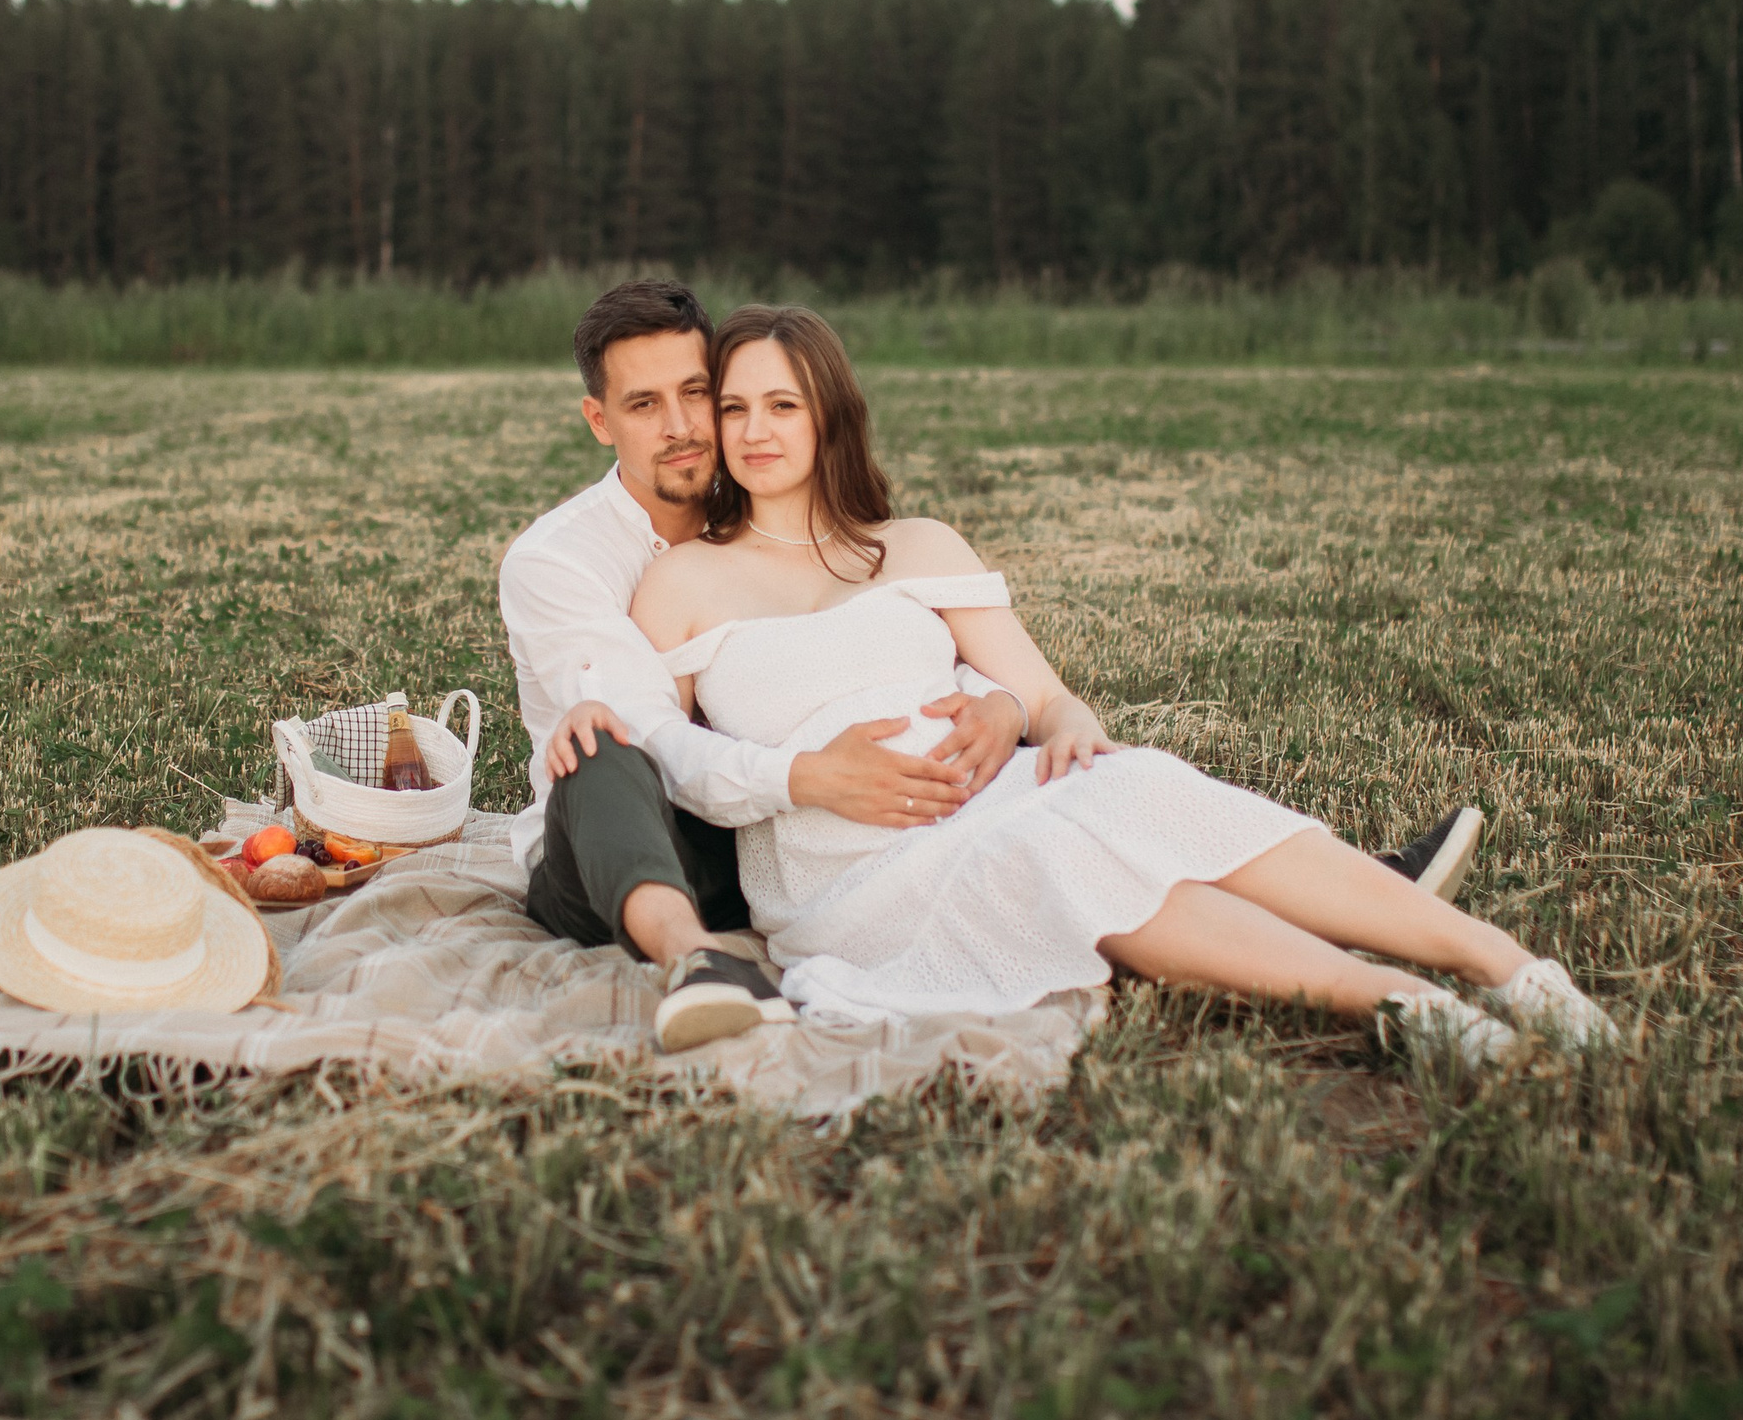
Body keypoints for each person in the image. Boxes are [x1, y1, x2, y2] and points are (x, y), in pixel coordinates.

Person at [607, 303, 1616, 1062]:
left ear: (830, 413)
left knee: (1133, 783)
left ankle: (1504, 963)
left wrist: (1030, 716)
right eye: (733, 407)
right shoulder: (684, 580)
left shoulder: (911, 547)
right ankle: (1395, 1002)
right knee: (1049, 845)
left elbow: (1050, 702)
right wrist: (803, 778)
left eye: (782, 403)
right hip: (853, 868)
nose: (754, 428)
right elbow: (664, 756)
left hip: (992, 791)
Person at [499, 280, 1036, 1052]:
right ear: (599, 420)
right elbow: (652, 735)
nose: (682, 427)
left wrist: (996, 700)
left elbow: (868, 633)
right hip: (617, 844)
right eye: (644, 405)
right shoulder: (557, 561)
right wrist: (806, 775)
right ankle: (701, 964)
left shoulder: (759, 501)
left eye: (696, 393)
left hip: (753, 839)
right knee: (601, 741)